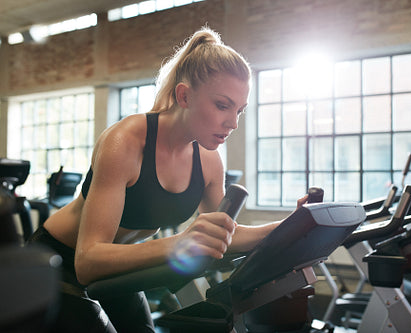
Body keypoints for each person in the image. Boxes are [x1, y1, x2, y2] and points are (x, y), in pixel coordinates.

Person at [27, 26, 307, 333]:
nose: (233, 122)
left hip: (118, 267)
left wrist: (294, 224)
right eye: (222, 105)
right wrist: (181, 243)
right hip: (56, 264)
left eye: (239, 110)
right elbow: (87, 259)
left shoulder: (209, 160)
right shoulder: (127, 142)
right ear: (184, 95)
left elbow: (226, 235)